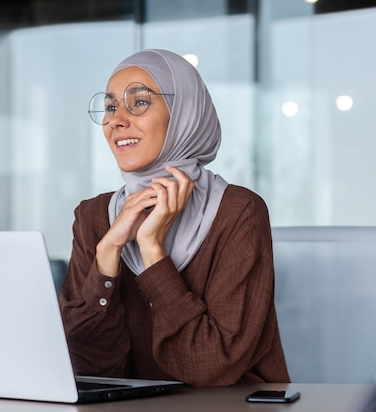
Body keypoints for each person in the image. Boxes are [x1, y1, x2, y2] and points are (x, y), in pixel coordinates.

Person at [59, 49, 290, 387]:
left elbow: (210, 367)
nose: (116, 120)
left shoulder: (239, 212)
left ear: (184, 113)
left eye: (138, 103)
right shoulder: (94, 218)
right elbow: (87, 368)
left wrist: (152, 250)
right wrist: (108, 253)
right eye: (110, 107)